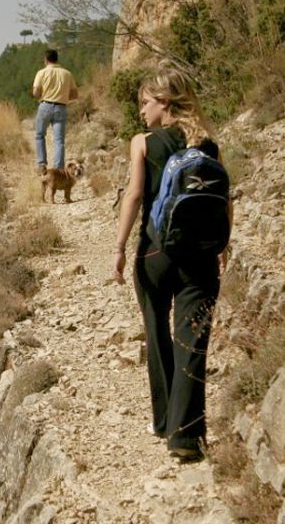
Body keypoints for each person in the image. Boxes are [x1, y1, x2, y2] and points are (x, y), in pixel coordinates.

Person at [111, 67, 231, 462]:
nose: (142, 111)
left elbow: (133, 196)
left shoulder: (143, 142)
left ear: (164, 102)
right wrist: (223, 244)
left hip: (155, 252)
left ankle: (162, 420)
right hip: (200, 254)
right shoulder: (208, 144)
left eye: (145, 102)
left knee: (157, 335)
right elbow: (225, 198)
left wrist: (119, 246)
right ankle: (186, 437)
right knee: (192, 342)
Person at [32, 49, 78, 174]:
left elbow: (35, 93)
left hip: (45, 105)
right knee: (59, 140)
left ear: (46, 60)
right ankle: (58, 169)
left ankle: (42, 165)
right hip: (61, 107)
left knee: (40, 135)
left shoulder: (41, 73)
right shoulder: (67, 73)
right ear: (57, 59)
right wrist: (62, 96)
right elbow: (75, 94)